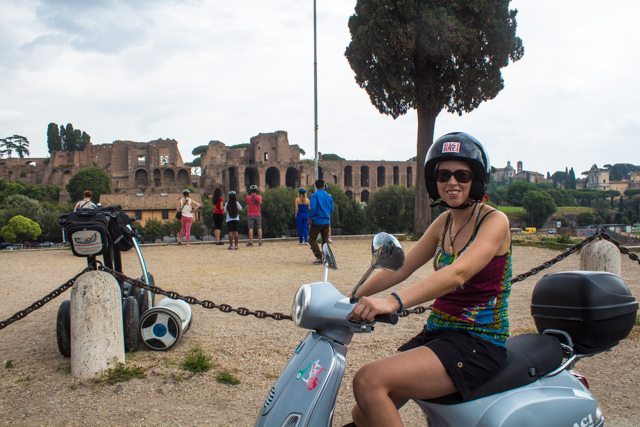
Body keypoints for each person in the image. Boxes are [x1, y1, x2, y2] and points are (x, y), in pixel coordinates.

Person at [347, 132, 512, 427]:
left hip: (479, 341)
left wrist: (393, 302)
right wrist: (351, 295)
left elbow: (457, 273)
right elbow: (402, 267)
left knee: (369, 381)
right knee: (363, 413)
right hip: (440, 334)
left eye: (462, 174)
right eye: (443, 175)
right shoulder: (444, 222)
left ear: (476, 179)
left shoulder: (494, 221)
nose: (452, 182)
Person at [308, 179, 334, 264]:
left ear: (316, 186)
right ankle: (325, 257)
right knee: (325, 240)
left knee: (312, 239)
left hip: (317, 220)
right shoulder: (329, 196)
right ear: (324, 186)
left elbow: (313, 209)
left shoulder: (314, 196)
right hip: (326, 221)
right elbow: (331, 209)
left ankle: (319, 256)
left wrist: (310, 218)